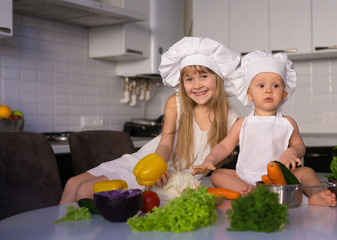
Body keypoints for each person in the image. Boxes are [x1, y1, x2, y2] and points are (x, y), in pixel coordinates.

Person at [59, 37, 240, 204]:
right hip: (148, 165)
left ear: (218, 78)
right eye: (189, 79)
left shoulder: (232, 119)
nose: (197, 85)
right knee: (72, 184)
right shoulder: (175, 103)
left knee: (85, 190)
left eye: (204, 76)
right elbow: (165, 145)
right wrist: (157, 166)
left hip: (171, 179)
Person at [192, 50, 336, 207]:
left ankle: (317, 195)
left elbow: (299, 146)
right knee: (218, 175)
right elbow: (225, 146)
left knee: (306, 172)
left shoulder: (288, 122)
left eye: (275, 85)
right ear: (249, 94)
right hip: (245, 177)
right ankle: (251, 191)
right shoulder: (243, 123)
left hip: (279, 179)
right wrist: (210, 159)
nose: (269, 90)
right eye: (261, 85)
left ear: (284, 93)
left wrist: (292, 151)